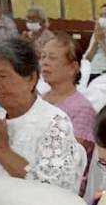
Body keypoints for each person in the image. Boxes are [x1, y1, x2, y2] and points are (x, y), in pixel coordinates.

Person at [0, 35, 86, 193]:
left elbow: (52, 190)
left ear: (31, 79)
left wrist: (2, 150)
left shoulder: (55, 122)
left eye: (2, 76)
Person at [39, 33, 98, 185]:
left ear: (73, 67)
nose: (44, 62)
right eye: (43, 56)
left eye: (52, 58)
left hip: (62, 183)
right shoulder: (40, 98)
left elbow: (71, 160)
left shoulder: (82, 108)